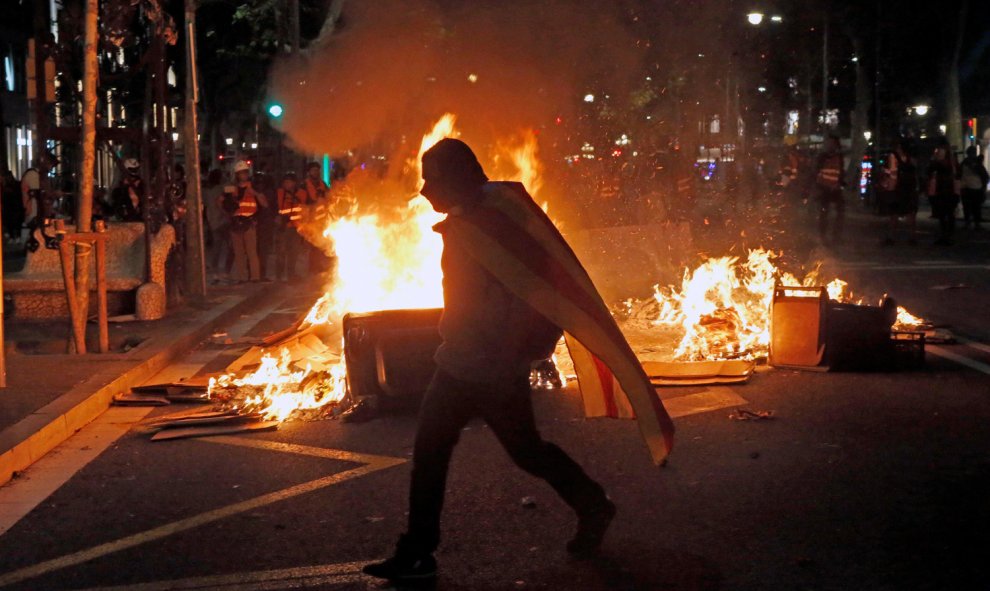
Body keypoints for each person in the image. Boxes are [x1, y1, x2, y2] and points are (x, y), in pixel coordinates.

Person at [363, 139, 630, 584]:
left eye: (432, 179)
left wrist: (512, 354)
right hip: (457, 363)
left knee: (526, 452)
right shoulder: (468, 225)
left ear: (459, 179)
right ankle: (417, 552)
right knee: (432, 453)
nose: (425, 190)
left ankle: (594, 505)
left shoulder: (494, 228)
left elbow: (532, 293)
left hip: (493, 370)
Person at [224, 161, 265, 281]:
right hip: (236, 223)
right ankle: (241, 277)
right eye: (241, 173)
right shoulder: (231, 188)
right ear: (236, 175)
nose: (243, 176)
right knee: (239, 253)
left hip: (249, 222)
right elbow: (220, 201)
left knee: (251, 252)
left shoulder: (254, 187)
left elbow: (264, 204)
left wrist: (256, 194)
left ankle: (255, 277)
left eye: (245, 173)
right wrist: (228, 214)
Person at [877, 139, 919, 245]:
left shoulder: (893, 156)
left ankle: (891, 237)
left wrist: (884, 174)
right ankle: (912, 237)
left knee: (894, 214)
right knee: (911, 214)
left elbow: (892, 172)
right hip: (909, 189)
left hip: (897, 188)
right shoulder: (911, 159)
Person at [926, 139, 960, 245]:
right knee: (946, 214)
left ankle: (947, 235)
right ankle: (947, 235)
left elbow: (931, 170)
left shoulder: (947, 161)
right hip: (946, 189)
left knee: (946, 213)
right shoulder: (951, 160)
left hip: (946, 189)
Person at [275, 172, 307, 280]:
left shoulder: (302, 193)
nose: (286, 184)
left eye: (289, 182)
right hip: (284, 227)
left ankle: (291, 274)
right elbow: (275, 206)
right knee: (281, 251)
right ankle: (279, 275)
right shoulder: (279, 193)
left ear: (294, 183)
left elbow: (305, 208)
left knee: (294, 252)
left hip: (296, 227)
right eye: (285, 182)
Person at [814, 135, 845, 245]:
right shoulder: (823, 157)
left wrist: (840, 184)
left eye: (832, 143)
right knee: (824, 213)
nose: (830, 145)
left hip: (835, 189)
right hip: (824, 188)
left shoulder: (839, 157)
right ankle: (823, 235)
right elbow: (817, 171)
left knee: (839, 212)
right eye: (829, 143)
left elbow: (840, 172)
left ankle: (836, 236)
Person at [202, 169, 231, 280]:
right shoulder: (220, 189)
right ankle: (223, 268)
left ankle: (214, 266)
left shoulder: (207, 191)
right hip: (222, 219)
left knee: (217, 245)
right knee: (228, 245)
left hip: (212, 219)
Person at [959, 146, 988, 230]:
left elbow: (959, 173)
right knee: (975, 206)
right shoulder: (976, 163)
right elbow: (984, 175)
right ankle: (976, 223)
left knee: (968, 206)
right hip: (975, 187)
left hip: (966, 187)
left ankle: (969, 222)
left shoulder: (964, 163)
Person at [1, 167, 25, 241]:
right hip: (10, 207)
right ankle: (13, 236)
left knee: (16, 222)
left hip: (15, 206)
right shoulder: (7, 186)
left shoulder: (14, 185)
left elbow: (20, 195)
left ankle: (16, 236)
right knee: (11, 222)